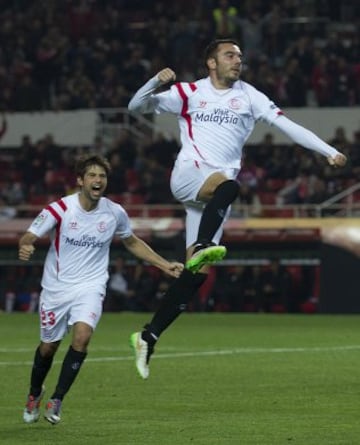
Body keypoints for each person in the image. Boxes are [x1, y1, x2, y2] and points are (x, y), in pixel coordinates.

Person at [127, 38, 347, 379]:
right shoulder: (189, 92)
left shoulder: (250, 96)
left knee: (195, 275)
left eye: (240, 56)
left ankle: (148, 335)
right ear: (211, 63)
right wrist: (155, 81)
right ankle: (203, 246)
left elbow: (287, 126)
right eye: (230, 55)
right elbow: (135, 107)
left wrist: (327, 150)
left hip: (212, 197)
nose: (237, 60)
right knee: (230, 187)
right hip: (190, 175)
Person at [19, 154, 183, 425]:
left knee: (82, 338)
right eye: (92, 175)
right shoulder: (59, 209)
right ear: (80, 180)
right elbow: (30, 234)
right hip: (56, 289)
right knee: (48, 348)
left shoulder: (114, 212)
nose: (98, 180)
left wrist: (164, 265)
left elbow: (131, 242)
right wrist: (27, 244)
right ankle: (35, 393)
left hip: (91, 286)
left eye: (102, 176)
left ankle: (57, 398)